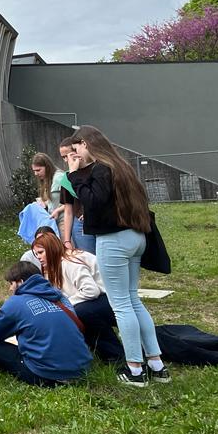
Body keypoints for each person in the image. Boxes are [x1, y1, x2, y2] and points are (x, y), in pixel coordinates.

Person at [67, 125, 169, 386]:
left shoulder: (101, 168)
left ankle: (135, 369)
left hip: (114, 241)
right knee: (133, 301)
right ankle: (157, 364)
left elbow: (92, 200)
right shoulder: (121, 166)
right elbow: (108, 202)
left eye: (76, 149)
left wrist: (74, 174)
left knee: (121, 304)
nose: (74, 155)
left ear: (87, 145)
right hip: (135, 236)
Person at [0, 262, 92, 386]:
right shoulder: (62, 298)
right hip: (82, 370)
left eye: (11, 284)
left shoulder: (16, 302)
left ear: (21, 282)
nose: (10, 289)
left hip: (45, 375)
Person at [31, 232, 123, 362]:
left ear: (51, 249)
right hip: (96, 300)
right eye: (36, 254)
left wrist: (66, 305)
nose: (38, 257)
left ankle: (114, 354)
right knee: (73, 312)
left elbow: (91, 290)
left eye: (41, 252)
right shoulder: (54, 265)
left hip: (111, 298)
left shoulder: (69, 262)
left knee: (81, 312)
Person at [58, 138, 96, 254]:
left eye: (68, 155)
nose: (66, 160)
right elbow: (68, 210)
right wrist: (67, 240)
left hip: (99, 220)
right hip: (80, 225)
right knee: (89, 259)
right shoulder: (66, 178)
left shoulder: (96, 169)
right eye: (63, 157)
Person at [31, 152, 67, 224]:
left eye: (38, 170)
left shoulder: (59, 177)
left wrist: (58, 210)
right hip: (54, 221)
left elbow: (73, 201)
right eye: (34, 171)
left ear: (47, 167)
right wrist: (44, 203)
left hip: (64, 222)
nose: (36, 174)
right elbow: (56, 200)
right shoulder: (47, 179)